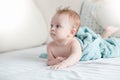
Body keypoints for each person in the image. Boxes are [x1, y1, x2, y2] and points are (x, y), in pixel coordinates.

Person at [47, 7, 120, 69]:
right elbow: (50, 61)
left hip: (89, 46)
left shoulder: (73, 43)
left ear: (71, 32)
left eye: (58, 26)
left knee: (104, 45)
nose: (52, 28)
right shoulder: (50, 46)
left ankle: (107, 33)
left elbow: (76, 55)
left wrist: (64, 63)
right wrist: (55, 61)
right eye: (51, 25)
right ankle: (106, 33)